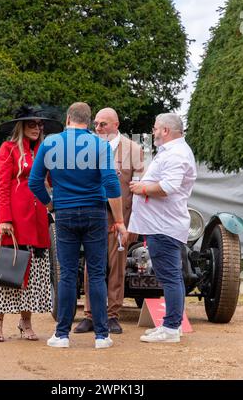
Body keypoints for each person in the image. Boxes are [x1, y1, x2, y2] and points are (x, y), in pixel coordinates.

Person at [29, 102, 128, 349]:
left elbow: (35, 182)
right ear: (88, 120)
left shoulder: (50, 143)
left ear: (68, 118)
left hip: (65, 213)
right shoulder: (100, 145)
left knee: (67, 275)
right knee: (96, 273)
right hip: (95, 213)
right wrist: (118, 220)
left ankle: (62, 334)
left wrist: (50, 205)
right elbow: (111, 184)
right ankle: (102, 336)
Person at [0, 106, 62, 342]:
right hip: (16, 218)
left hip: (38, 217)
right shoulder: (8, 149)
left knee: (34, 273)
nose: (37, 128)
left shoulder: (44, 151)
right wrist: (5, 219)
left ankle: (25, 321)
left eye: (39, 124)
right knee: (9, 269)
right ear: (21, 127)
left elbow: (54, 180)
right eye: (32, 124)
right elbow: (3, 186)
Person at [74, 108, 144, 335]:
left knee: (117, 267)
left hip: (120, 219)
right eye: (96, 123)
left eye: (103, 124)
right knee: (91, 268)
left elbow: (139, 190)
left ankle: (113, 314)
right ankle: (90, 314)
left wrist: (132, 224)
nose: (98, 128)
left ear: (116, 124)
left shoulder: (134, 150)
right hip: (93, 216)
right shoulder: (88, 148)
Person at [128, 113, 197, 343]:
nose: (153, 131)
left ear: (166, 130)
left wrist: (141, 189)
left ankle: (170, 328)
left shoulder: (176, 153)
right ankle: (172, 325)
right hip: (161, 224)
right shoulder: (172, 152)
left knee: (169, 277)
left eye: (156, 128)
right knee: (170, 276)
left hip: (164, 225)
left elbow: (169, 186)